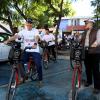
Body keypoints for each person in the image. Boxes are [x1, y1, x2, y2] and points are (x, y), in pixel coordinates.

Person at [4, 18, 43, 86]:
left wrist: (35, 44)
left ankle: (40, 80)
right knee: (19, 61)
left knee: (38, 65)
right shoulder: (23, 31)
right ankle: (23, 76)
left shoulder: (35, 30)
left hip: (34, 50)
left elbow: (36, 37)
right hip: (26, 50)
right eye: (28, 24)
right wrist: (8, 40)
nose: (29, 25)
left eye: (30, 24)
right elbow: (16, 36)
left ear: (32, 24)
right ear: (26, 24)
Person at [81, 19, 100, 94]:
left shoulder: (97, 30)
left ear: (91, 23)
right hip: (86, 51)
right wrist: (78, 38)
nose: (85, 24)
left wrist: (95, 44)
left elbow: (99, 40)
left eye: (87, 23)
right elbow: (81, 40)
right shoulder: (84, 32)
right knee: (87, 68)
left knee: (95, 69)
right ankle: (89, 81)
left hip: (95, 52)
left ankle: (97, 87)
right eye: (85, 23)